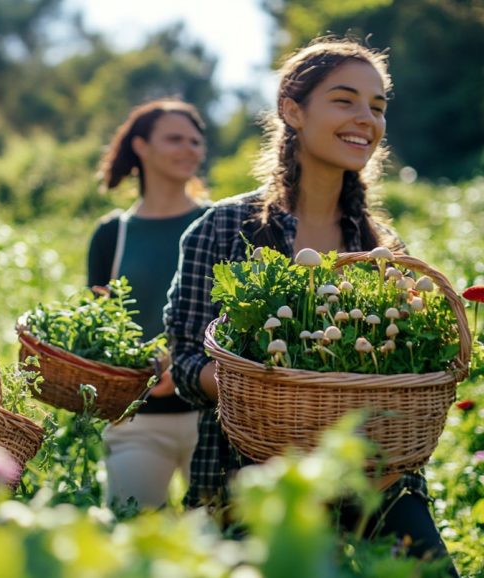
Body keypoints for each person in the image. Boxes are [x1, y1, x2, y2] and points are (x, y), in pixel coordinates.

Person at [164, 37, 459, 574]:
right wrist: (263, 386)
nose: (365, 118)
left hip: (377, 483)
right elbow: (185, 363)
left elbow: (410, 370)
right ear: (292, 111)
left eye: (377, 106)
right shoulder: (224, 229)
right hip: (253, 484)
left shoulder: (381, 248)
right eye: (344, 100)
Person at [87, 98, 210, 509]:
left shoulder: (220, 225)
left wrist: (185, 365)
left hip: (214, 417)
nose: (189, 149)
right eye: (174, 138)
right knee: (131, 535)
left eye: (195, 141)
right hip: (136, 420)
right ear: (141, 146)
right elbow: (101, 327)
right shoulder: (112, 234)